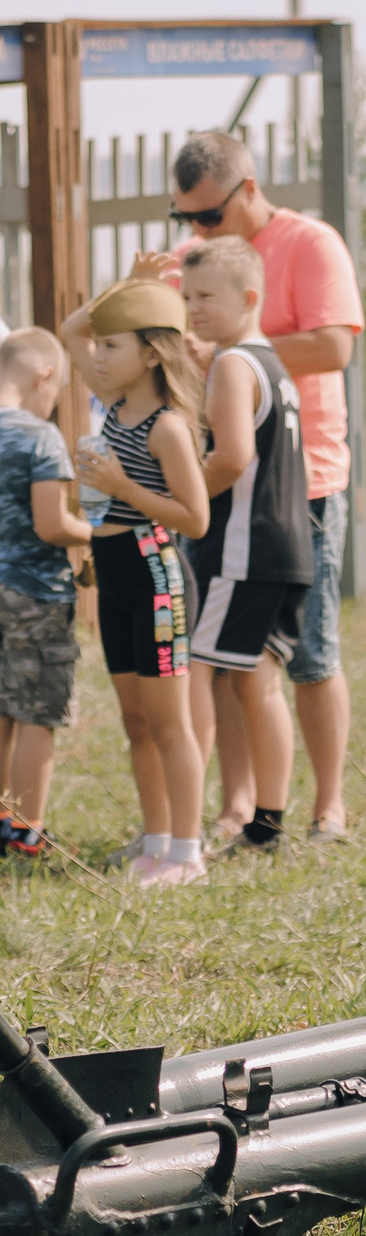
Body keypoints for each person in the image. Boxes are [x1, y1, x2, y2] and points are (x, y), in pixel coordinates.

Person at [166, 129, 363, 843]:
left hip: (305, 476)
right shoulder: (200, 264)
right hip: (230, 496)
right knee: (234, 663)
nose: (197, 229)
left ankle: (327, 807)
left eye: (209, 215)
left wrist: (235, 352)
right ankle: (241, 807)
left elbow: (334, 345)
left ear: (247, 189)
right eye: (185, 217)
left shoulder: (311, 245)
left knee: (310, 654)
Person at [63, 279, 215, 889]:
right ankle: (155, 841)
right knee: (136, 720)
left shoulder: (167, 427)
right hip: (116, 575)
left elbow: (195, 518)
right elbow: (73, 330)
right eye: (100, 347)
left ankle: (187, 852)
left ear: (152, 352)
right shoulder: (113, 401)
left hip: (156, 573)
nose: (96, 355)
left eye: (113, 345)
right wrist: (129, 283)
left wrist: (121, 486)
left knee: (170, 723)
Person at [177, 236, 312, 855]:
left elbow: (231, 457)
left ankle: (186, 825)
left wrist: (178, 499)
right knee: (257, 683)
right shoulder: (272, 364)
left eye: (205, 295)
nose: (193, 307)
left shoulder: (233, 365)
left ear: (250, 297)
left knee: (200, 675)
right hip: (286, 547)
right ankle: (266, 824)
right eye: (186, 296)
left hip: (242, 548)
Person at [0, 329, 89, 862]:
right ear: (44, 376)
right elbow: (52, 524)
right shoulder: (39, 437)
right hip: (35, 593)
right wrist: (94, 531)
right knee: (37, 711)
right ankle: (26, 831)